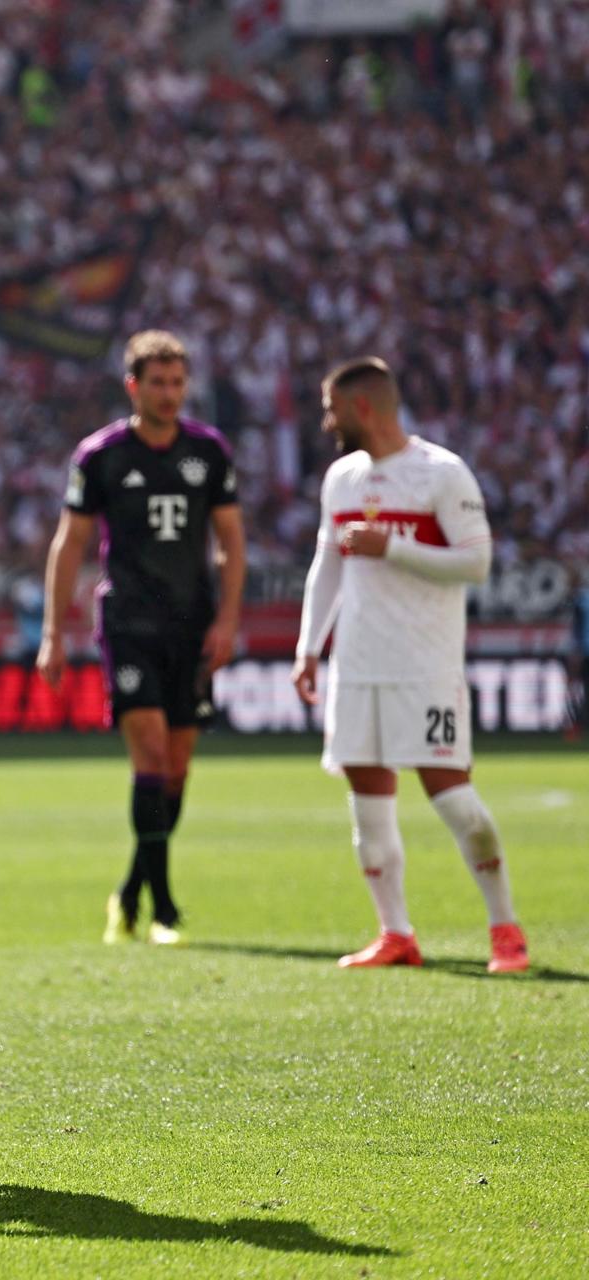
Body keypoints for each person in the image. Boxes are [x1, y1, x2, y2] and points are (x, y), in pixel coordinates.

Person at [292, 357, 528, 973]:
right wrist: (308, 647)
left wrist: (391, 546)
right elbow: (328, 567)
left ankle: (505, 929)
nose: (326, 420)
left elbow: (476, 564)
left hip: (424, 666)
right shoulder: (342, 479)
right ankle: (396, 933)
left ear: (363, 407)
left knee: (453, 800)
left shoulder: (441, 474)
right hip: (358, 666)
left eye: (332, 407)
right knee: (367, 804)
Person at [36, 332, 246, 946]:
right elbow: (69, 544)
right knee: (150, 755)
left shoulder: (209, 453)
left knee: (176, 771)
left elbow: (232, 542)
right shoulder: (101, 455)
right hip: (128, 623)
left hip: (192, 627)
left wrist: (229, 619)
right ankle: (164, 911)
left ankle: (129, 892)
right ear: (134, 386)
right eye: (157, 382)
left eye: (177, 383)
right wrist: (54, 632)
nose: (169, 393)